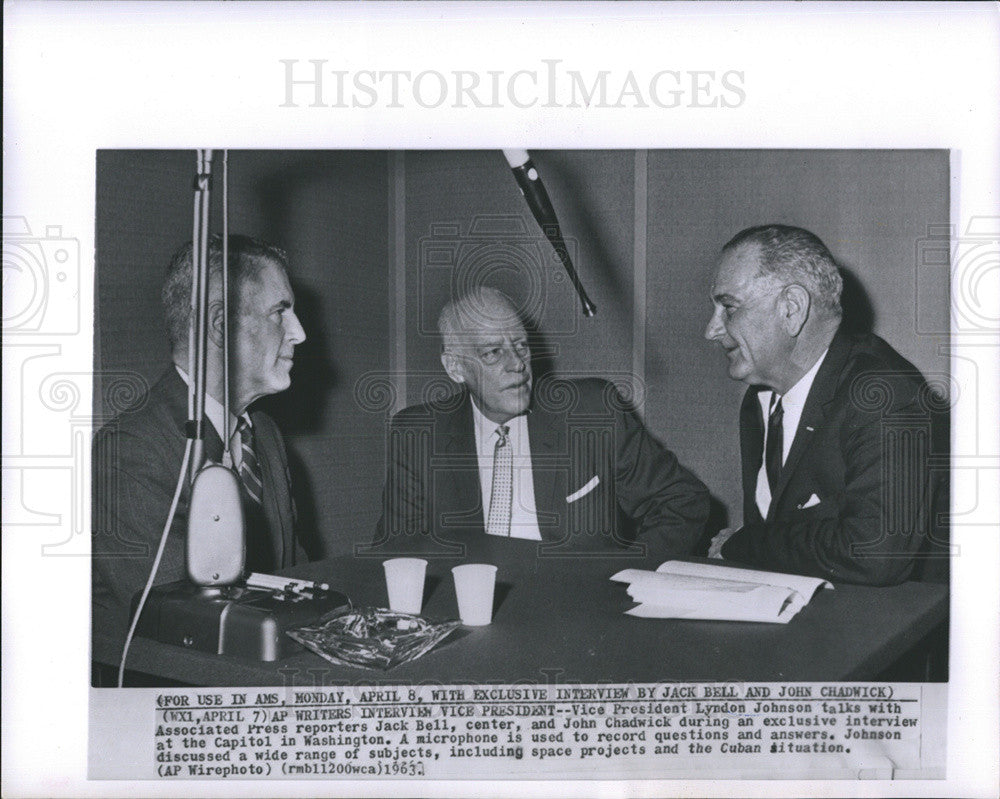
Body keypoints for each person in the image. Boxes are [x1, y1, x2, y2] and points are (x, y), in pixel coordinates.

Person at [372, 286, 709, 560]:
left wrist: (626, 580)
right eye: (493, 352)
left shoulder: (591, 412)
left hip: (577, 618)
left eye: (521, 345)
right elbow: (395, 550)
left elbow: (681, 500)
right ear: (455, 368)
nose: (518, 364)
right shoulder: (418, 433)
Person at [92, 235, 308, 644]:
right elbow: (187, 627)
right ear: (220, 326)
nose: (299, 333)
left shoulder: (263, 433)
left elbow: (298, 578)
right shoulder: (129, 453)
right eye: (281, 312)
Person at [704, 224, 945, 585]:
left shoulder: (884, 395)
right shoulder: (760, 399)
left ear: (792, 309)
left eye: (728, 308)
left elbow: (873, 553)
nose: (711, 330)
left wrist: (745, 543)